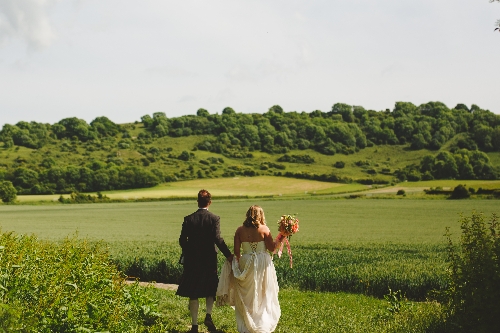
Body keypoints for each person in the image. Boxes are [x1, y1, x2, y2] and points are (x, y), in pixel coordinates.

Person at [217, 205, 287, 333]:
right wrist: (282, 236)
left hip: (246, 261)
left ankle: (246, 324)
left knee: (246, 295)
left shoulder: (239, 231)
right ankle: (262, 322)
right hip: (262, 263)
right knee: (262, 293)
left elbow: (237, 253)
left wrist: (240, 264)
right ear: (260, 215)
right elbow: (272, 248)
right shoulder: (264, 229)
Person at [176, 189, 233, 333]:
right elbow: (217, 239)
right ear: (210, 202)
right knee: (210, 289)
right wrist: (229, 255)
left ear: (197, 202)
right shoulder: (214, 218)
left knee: (193, 292)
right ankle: (208, 315)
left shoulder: (188, 219)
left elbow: (182, 240)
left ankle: (194, 326)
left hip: (192, 260)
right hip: (209, 260)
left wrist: (190, 250)